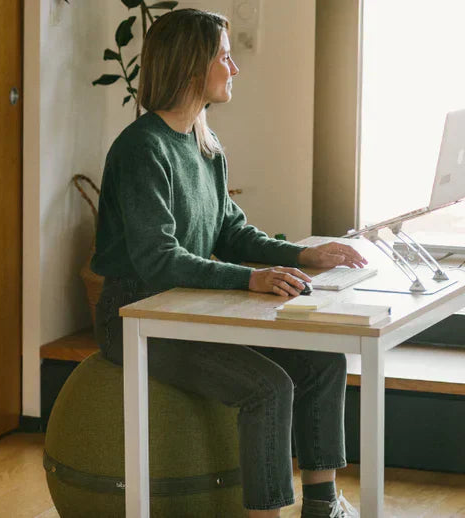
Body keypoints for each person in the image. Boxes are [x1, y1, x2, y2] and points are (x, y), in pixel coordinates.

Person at [89, 8, 367, 518]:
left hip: (191, 307)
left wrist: (304, 254)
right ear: (194, 67)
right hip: (135, 317)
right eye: (224, 55)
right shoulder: (141, 149)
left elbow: (230, 232)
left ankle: (323, 506)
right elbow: (159, 259)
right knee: (268, 387)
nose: (234, 68)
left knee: (323, 362)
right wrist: (252, 279)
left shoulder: (204, 140)